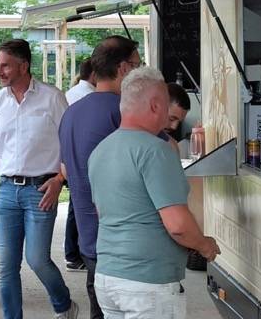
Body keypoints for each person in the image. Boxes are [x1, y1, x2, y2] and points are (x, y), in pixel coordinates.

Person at [88, 67, 220, 319]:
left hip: (107, 277)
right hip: (147, 283)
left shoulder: (101, 150)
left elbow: (101, 211)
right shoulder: (156, 151)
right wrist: (205, 245)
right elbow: (178, 226)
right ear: (155, 105)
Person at [0, 39, 78, 319]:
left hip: (41, 189)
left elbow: (70, 144)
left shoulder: (52, 98)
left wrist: (59, 179)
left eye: (5, 66)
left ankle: (64, 305)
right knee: (7, 267)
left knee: (37, 259)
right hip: (7, 191)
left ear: (23, 66)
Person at [58, 35, 140, 319]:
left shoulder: (71, 113)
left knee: (99, 309)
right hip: (123, 240)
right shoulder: (124, 112)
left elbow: (65, 170)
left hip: (89, 238)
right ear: (124, 68)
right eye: (138, 65)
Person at [63, 57, 97, 273]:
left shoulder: (71, 92)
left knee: (74, 207)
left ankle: (72, 254)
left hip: (70, 156)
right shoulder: (90, 97)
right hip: (84, 158)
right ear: (94, 75)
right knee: (80, 209)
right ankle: (76, 254)